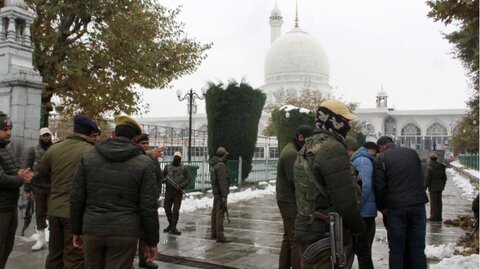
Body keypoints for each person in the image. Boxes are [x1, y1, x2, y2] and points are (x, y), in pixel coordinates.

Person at [70, 116, 159, 269]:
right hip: (125, 232)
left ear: (113, 134)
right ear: (135, 138)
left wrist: (76, 230)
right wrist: (151, 241)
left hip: (93, 228)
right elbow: (148, 207)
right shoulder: (144, 163)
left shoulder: (89, 157)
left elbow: (77, 197)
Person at [293, 100, 365, 269]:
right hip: (324, 232)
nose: (348, 125)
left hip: (307, 227)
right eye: (345, 120)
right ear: (333, 120)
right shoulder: (332, 148)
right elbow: (346, 202)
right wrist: (358, 228)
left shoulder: (308, 146)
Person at [38, 115, 99, 269]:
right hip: (76, 213)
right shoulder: (92, 152)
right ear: (91, 134)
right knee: (74, 257)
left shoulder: (54, 148)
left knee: (54, 255)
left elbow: (42, 174)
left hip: (55, 209)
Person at [373, 136, 428, 269]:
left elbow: (379, 187)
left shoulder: (381, 158)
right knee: (418, 249)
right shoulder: (412, 153)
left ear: (381, 147)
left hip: (396, 208)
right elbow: (421, 177)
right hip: (418, 205)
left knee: (397, 250)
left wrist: (382, 207)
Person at [276, 125, 314, 269]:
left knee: (288, 238)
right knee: (295, 240)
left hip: (286, 201)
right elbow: (297, 182)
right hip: (290, 203)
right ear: (301, 137)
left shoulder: (292, 149)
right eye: (309, 141)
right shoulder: (292, 154)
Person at [0, 111, 33, 269]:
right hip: (1, 209)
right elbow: (2, 179)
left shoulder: (4, 148)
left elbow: (8, 173)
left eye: (10, 129)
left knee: (7, 247)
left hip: (8, 205)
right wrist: (20, 178)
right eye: (4, 129)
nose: (9, 133)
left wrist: (19, 174)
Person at [136, 133, 164, 269]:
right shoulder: (136, 158)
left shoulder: (153, 159)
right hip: (134, 203)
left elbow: (158, 178)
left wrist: (156, 193)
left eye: (147, 143)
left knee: (145, 233)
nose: (145, 146)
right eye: (142, 144)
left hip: (148, 200)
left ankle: (145, 260)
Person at [24, 127, 53, 251]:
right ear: (40, 137)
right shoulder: (33, 150)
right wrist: (27, 188)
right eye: (44, 135)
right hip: (38, 186)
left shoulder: (55, 149)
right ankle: (40, 239)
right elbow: (27, 169)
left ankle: (53, 239)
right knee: (40, 213)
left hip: (53, 186)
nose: (46, 137)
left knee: (53, 214)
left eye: (48, 135)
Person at [351, 141, 378, 269]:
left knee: (362, 250)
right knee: (363, 250)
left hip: (363, 213)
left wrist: (356, 206)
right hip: (366, 211)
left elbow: (364, 186)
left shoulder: (361, 161)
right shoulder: (364, 159)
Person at [162, 151, 191, 235]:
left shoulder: (184, 168)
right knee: (167, 208)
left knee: (175, 210)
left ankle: (174, 226)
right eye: (175, 157)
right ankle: (170, 224)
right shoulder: (167, 167)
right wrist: (165, 180)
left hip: (178, 192)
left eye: (178, 157)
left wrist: (181, 186)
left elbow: (189, 179)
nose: (176, 159)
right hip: (169, 191)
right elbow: (162, 176)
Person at [210, 147, 231, 243]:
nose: (226, 156)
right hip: (220, 194)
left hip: (216, 193)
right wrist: (224, 196)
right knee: (220, 214)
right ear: (223, 155)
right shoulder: (221, 165)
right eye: (225, 155)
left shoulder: (213, 165)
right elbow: (222, 182)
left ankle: (214, 233)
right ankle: (220, 235)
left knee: (215, 213)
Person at [424, 153, 447, 221]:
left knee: (433, 202)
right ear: (436, 159)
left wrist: (425, 187)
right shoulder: (441, 166)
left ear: (431, 159)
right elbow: (444, 177)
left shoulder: (429, 167)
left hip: (432, 187)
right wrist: (443, 185)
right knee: (439, 202)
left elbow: (427, 178)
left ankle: (433, 216)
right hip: (440, 187)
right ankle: (439, 216)